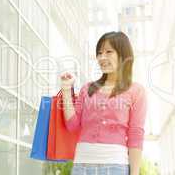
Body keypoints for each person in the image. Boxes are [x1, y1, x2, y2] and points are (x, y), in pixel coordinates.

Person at [60, 31, 147, 175]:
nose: (102, 57)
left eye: (108, 52)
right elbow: (72, 125)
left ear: (123, 55)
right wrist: (66, 89)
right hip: (82, 165)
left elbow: (135, 134)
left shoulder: (136, 91)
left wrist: (135, 172)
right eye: (99, 53)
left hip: (116, 166)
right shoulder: (87, 89)